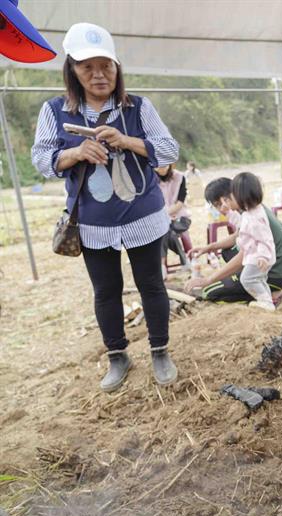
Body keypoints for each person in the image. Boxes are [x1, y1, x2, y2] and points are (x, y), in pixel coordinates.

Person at [31, 22, 180, 392]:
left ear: (117, 68)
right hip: (93, 223)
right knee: (106, 291)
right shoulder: (55, 111)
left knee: (151, 284)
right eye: (88, 67)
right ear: (72, 70)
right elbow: (41, 158)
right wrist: (76, 152)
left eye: (106, 66)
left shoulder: (138, 107)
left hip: (143, 217)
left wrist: (127, 141)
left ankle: (160, 351)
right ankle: (117, 356)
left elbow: (169, 150)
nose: (99, 75)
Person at [185, 177, 282, 306]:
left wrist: (208, 280)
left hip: (275, 273)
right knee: (227, 251)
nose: (221, 209)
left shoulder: (253, 217)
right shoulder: (250, 208)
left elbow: (244, 254)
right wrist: (209, 247)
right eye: (218, 205)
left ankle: (271, 294)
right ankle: (252, 285)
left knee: (209, 292)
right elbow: (238, 235)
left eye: (222, 202)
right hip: (272, 263)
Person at [224, 172, 276, 311]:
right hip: (256, 256)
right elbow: (241, 223)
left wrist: (263, 256)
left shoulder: (254, 217)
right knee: (259, 279)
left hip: (259, 257)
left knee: (247, 279)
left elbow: (264, 238)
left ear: (240, 195)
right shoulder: (251, 213)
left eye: (233, 195)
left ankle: (266, 302)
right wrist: (229, 213)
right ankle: (268, 301)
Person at [156, 163, 191, 271]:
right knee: (166, 231)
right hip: (160, 219)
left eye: (164, 165)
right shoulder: (151, 179)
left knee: (164, 230)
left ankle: (162, 266)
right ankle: (184, 259)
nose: (161, 168)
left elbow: (180, 203)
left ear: (170, 164)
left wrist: (165, 215)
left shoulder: (179, 177)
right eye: (158, 166)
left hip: (180, 217)